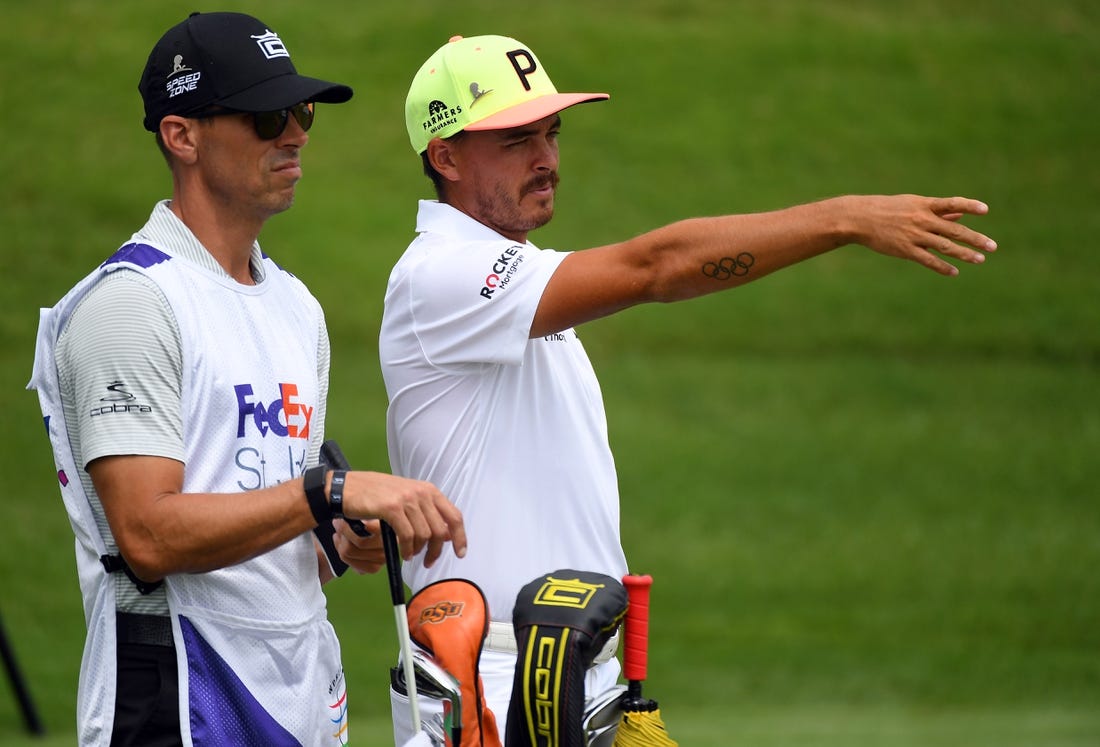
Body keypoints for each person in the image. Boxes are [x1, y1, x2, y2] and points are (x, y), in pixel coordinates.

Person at [383, 34, 997, 740]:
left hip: (575, 676)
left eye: (552, 132)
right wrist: (844, 219)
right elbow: (658, 267)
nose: (547, 157)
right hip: (490, 692)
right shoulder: (441, 276)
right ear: (446, 157)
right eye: (517, 139)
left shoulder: (510, 276)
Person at [28, 12, 465, 747]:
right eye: (267, 116)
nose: (294, 133)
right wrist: (327, 493)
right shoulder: (131, 303)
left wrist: (345, 535)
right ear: (182, 135)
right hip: (177, 701)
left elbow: (284, 518)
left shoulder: (294, 305)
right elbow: (147, 536)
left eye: (302, 111)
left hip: (300, 699)